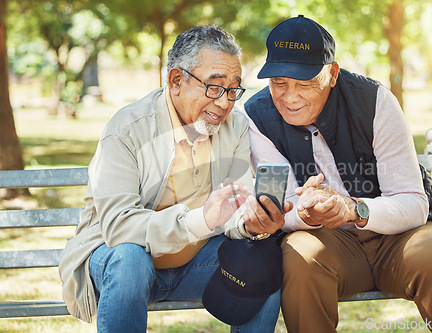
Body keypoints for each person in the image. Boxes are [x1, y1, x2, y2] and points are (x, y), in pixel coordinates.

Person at [244, 15, 432, 333]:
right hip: (328, 242)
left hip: (401, 235)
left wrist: (352, 208)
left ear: (332, 74)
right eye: (279, 83)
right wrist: (306, 212)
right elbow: (278, 208)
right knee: (300, 255)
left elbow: (413, 202)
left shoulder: (375, 102)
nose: (290, 97)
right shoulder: (257, 117)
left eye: (304, 83)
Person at [58, 24, 290, 333]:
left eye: (233, 90)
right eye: (214, 87)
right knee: (130, 259)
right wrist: (201, 221)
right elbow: (119, 227)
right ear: (176, 80)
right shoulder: (129, 128)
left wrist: (250, 224)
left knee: (265, 267)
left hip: (194, 266)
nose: (224, 102)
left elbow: (235, 208)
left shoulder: (233, 126)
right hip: (118, 266)